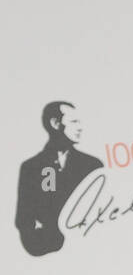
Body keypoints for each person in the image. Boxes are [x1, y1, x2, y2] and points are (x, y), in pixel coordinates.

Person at [14, 101, 104, 256]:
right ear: (55, 123)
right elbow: (24, 218)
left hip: (89, 256)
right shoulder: (32, 167)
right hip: (46, 256)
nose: (80, 127)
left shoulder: (92, 165)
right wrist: (42, 249)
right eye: (74, 122)